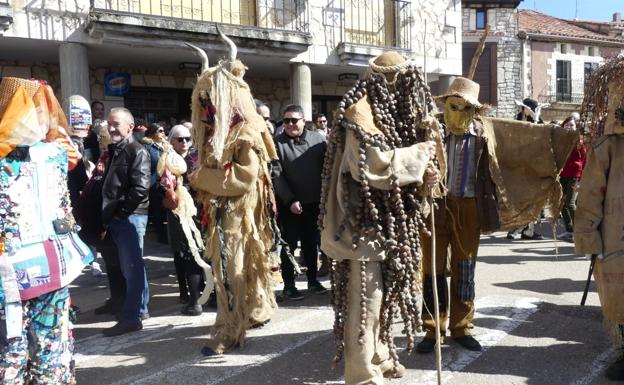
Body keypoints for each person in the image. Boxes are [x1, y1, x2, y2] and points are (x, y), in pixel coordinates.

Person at [417, 77, 579, 355]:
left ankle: (462, 327)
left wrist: (558, 135)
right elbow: (412, 161)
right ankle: (432, 328)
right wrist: (425, 175)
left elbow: (524, 139)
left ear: (475, 111)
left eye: (465, 108)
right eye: (452, 106)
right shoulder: (431, 132)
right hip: (435, 205)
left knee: (464, 270)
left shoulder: (485, 135)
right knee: (432, 270)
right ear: (445, 106)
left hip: (469, 207)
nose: (457, 113)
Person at [319, 52, 440, 383]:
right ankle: (361, 374)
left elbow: (408, 174)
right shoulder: (360, 113)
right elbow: (372, 166)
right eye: (402, 82)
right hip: (361, 226)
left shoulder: (401, 118)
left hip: (387, 227)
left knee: (384, 298)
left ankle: (380, 355)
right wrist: (419, 154)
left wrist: (427, 179)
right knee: (365, 301)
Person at [186, 30, 277, 355]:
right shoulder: (216, 133)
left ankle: (227, 330)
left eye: (210, 100)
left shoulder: (245, 131)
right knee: (235, 269)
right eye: (202, 100)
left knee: (232, 272)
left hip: (239, 218)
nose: (205, 107)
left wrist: (200, 177)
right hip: (222, 217)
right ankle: (251, 312)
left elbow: (244, 177)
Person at [0, 77, 93, 384]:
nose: (43, 117)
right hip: (32, 267)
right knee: (28, 340)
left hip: (36, 265)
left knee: (31, 340)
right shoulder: (51, 154)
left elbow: (70, 156)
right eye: (36, 108)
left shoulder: (50, 154)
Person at [574, 55, 624, 382]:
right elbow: (591, 194)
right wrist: (590, 238)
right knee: (619, 296)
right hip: (617, 238)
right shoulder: (609, 146)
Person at [101, 107, 151, 337]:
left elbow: (141, 188)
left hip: (130, 217)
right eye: (109, 123)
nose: (111, 128)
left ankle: (132, 317)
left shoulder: (136, 150)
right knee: (131, 267)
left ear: (130, 126)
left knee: (132, 268)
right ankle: (139, 310)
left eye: (116, 124)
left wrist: (121, 213)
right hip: (119, 217)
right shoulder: (117, 150)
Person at [273, 104, 328, 300]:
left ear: (304, 121)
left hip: (315, 203)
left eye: (293, 120)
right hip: (291, 205)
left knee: (311, 244)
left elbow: (327, 168)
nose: (289, 124)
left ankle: (312, 280)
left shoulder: (318, 140)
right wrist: (290, 200)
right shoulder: (276, 143)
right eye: (286, 121)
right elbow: (277, 175)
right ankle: (289, 285)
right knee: (289, 245)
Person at [163, 125, 205, 316]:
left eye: (188, 138)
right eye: (180, 139)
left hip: (198, 213)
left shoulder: (198, 158)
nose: (185, 142)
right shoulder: (166, 160)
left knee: (195, 255)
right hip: (176, 213)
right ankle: (187, 295)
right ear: (171, 140)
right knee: (181, 254)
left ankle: (197, 299)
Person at [506, 97, 546, 240]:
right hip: (518, 166)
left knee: (533, 200)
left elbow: (542, 136)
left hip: (534, 166)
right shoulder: (518, 120)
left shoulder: (538, 121)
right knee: (518, 199)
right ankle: (514, 228)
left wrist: (536, 118)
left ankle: (528, 230)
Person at [558, 116, 586, 242]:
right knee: (562, 203)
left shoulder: (579, 142)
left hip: (575, 175)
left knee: (570, 203)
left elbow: (585, 159)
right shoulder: (559, 140)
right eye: (567, 125)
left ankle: (580, 231)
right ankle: (570, 230)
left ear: (576, 127)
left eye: (571, 125)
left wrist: (583, 177)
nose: (569, 127)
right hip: (562, 175)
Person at [141, 123, 168, 244]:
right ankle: (161, 235)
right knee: (157, 208)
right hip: (153, 182)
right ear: (152, 133)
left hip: (167, 181)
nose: (162, 133)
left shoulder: (166, 145)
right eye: (160, 131)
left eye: (163, 131)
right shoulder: (147, 146)